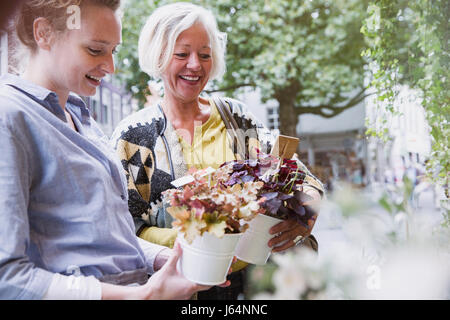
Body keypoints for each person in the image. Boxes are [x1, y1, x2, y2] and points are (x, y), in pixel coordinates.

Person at [0, 0, 226, 300]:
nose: (110, 66)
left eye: (113, 51)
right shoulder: (10, 118)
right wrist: (141, 296)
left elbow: (111, 239)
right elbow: (9, 279)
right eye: (95, 49)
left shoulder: (81, 118)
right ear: (43, 33)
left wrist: (168, 259)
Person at [111, 2, 324, 300]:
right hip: (180, 291)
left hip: (254, 289)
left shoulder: (238, 119)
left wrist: (307, 212)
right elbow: (124, 230)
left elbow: (297, 176)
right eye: (182, 54)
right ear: (158, 56)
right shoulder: (134, 138)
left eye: (205, 54)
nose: (195, 65)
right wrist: (197, 241)